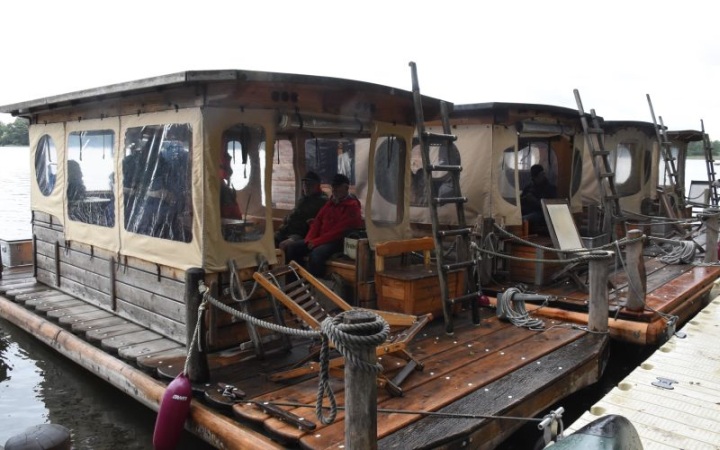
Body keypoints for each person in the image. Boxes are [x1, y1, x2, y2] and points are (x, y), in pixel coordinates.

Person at [283, 173, 363, 277]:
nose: (334, 190)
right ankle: (295, 282)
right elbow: (318, 221)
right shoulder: (330, 203)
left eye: (337, 187)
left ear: (346, 188)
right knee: (292, 248)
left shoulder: (352, 207)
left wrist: (316, 242)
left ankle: (316, 284)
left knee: (316, 254)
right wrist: (309, 239)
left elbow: (339, 231)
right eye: (333, 187)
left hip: (338, 242)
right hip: (322, 239)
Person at [274, 171, 328, 248]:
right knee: (268, 241)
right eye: (304, 184)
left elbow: (313, 224)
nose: (306, 187)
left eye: (310, 184)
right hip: (287, 231)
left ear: (317, 186)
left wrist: (295, 237)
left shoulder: (322, 202)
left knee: (284, 245)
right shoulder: (302, 199)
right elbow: (293, 215)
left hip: (301, 234)